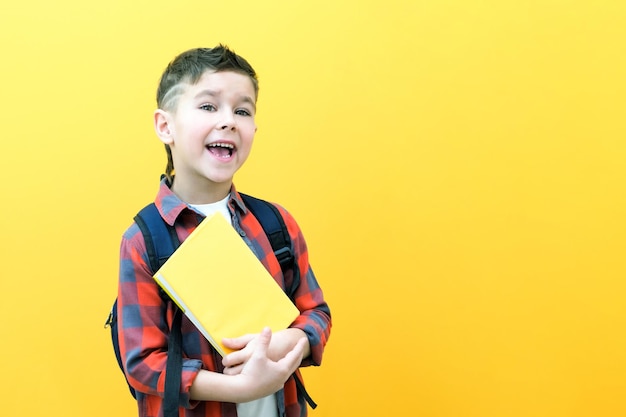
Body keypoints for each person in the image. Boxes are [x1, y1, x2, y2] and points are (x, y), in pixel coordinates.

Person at [116, 45, 332, 417]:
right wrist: (239, 388)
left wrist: (291, 339)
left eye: (243, 110)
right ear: (165, 126)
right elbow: (142, 361)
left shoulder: (276, 223)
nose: (229, 120)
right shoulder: (144, 240)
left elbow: (317, 314)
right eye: (208, 106)